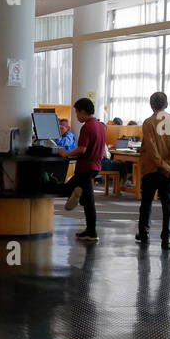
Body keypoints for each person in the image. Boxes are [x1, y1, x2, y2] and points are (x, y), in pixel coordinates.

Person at [136, 91, 170, 249]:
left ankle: (144, 233)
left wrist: (161, 164)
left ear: (151, 105)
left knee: (147, 202)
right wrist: (169, 165)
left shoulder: (148, 123)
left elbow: (151, 148)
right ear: (167, 104)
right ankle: (167, 237)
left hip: (152, 168)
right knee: (168, 203)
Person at [57, 97, 106, 243]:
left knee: (65, 190)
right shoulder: (100, 126)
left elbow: (82, 149)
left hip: (85, 167)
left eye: (77, 112)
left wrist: (65, 153)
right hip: (95, 166)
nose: (76, 116)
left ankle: (91, 231)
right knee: (87, 199)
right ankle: (90, 228)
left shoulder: (87, 127)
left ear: (83, 111)